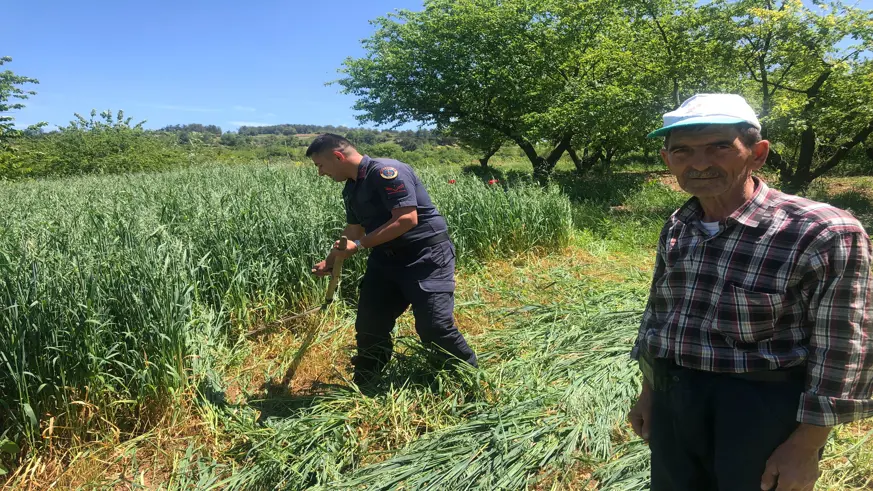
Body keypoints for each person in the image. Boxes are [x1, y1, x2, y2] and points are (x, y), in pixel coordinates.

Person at [628, 93, 873, 490]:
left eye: (719, 147)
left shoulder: (821, 231)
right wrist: (649, 392)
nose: (700, 163)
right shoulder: (679, 224)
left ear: (757, 154)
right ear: (667, 160)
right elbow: (661, 317)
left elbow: (845, 349)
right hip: (676, 399)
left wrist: (806, 446)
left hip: (760, 410)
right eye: (683, 151)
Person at [307, 133, 478, 386]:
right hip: (386, 260)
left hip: (426, 256)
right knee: (369, 323)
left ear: (338, 156)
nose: (320, 173)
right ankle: (366, 381)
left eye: (320, 165)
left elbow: (406, 219)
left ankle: (468, 377)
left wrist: (360, 245)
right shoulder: (351, 188)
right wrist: (330, 260)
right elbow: (354, 230)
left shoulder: (387, 172)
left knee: (434, 327)